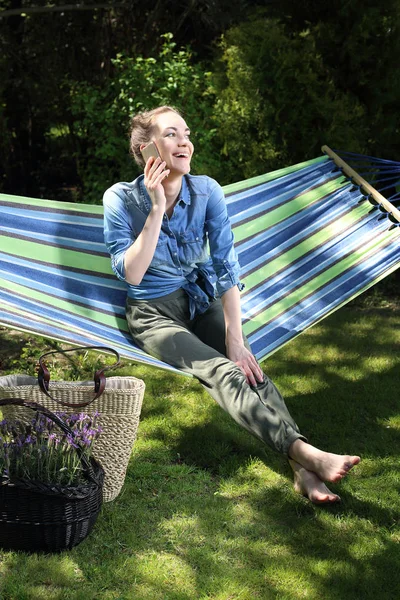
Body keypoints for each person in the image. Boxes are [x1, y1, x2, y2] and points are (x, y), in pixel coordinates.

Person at [103, 105, 360, 504]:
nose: (185, 141)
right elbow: (131, 273)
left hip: (197, 299)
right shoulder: (120, 198)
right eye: (171, 134)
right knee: (223, 371)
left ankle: (303, 471)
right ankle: (305, 454)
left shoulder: (207, 191)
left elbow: (226, 267)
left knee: (248, 367)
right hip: (152, 315)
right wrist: (155, 208)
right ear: (146, 149)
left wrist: (236, 339)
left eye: (186, 133)